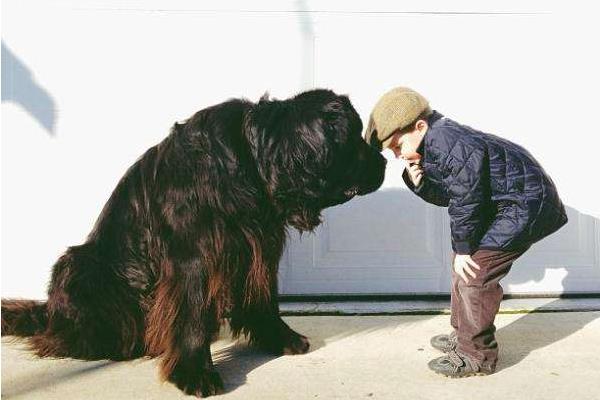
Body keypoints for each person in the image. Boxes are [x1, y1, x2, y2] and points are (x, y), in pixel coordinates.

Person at [365, 87, 568, 377]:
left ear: (419, 126)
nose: (397, 155)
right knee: (464, 268)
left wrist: (463, 249)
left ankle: (476, 357)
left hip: (525, 205)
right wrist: (419, 181)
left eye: (397, 146)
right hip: (509, 204)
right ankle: (463, 337)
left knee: (475, 274)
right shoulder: (436, 140)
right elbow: (452, 195)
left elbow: (466, 200)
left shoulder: (448, 142)